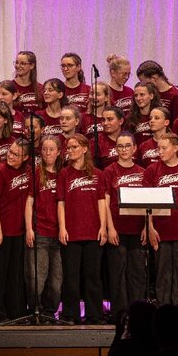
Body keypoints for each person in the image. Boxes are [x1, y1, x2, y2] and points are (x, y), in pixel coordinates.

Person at [58, 134, 107, 324]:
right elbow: (61, 203)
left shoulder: (98, 174)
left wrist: (103, 226)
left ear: (85, 149)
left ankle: (94, 314)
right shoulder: (64, 174)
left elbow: (101, 201)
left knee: (92, 276)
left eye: (74, 147)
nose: (70, 150)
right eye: (68, 147)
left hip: (93, 230)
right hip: (72, 231)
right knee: (71, 276)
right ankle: (71, 314)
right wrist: (62, 227)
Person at [143, 134, 178, 305]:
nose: (160, 151)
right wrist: (150, 227)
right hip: (161, 230)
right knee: (163, 272)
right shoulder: (152, 170)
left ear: (175, 148)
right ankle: (164, 309)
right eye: (158, 148)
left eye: (164, 148)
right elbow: (147, 203)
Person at [0, 139, 33, 323]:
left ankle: (16, 312)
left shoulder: (28, 171)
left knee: (16, 275)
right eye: (10, 151)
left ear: (25, 157)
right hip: (3, 229)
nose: (11, 156)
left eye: (16, 154)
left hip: (19, 230)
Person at [103, 133, 147, 317]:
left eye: (127, 145)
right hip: (117, 229)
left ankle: (137, 313)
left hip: (137, 228)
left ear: (134, 148)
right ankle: (119, 313)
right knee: (118, 273)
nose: (124, 149)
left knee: (137, 273)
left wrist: (146, 227)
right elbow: (105, 202)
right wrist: (110, 228)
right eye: (120, 146)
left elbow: (148, 202)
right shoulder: (109, 171)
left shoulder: (142, 172)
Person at [26, 135, 64, 316]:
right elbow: (29, 203)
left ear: (58, 152)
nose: (47, 153)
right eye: (44, 149)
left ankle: (50, 312)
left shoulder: (64, 174)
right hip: (40, 231)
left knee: (56, 279)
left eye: (51, 149)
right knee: (37, 277)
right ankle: (36, 310)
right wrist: (29, 228)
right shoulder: (36, 173)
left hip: (59, 233)